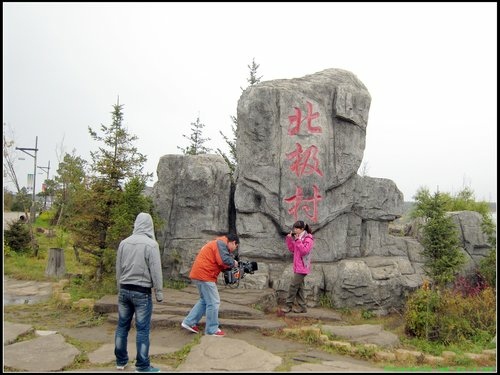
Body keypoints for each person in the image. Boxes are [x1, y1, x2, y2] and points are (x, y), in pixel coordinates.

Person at [114, 212, 163, 373]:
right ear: (150, 225)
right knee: (142, 330)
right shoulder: (151, 245)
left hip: (124, 290)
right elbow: (156, 271)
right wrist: (159, 292)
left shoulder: (124, 243)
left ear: (136, 224)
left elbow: (118, 268)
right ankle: (142, 365)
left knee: (122, 326)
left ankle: (120, 361)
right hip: (142, 292)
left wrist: (119, 287)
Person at [181, 233, 239, 337]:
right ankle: (212, 329)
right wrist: (234, 263)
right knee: (214, 302)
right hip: (205, 275)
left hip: (199, 273)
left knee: (205, 300)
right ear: (234, 242)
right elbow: (224, 260)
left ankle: (189, 322)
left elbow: (219, 262)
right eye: (235, 247)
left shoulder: (217, 243)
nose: (233, 250)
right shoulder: (221, 243)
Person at [282, 220, 314, 313]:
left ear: (302, 229)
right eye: (294, 228)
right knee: (299, 287)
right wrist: (289, 239)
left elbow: (304, 251)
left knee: (293, 286)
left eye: (297, 228)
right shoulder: (298, 237)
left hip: (303, 267)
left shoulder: (308, 238)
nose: (295, 230)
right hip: (297, 267)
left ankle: (288, 305)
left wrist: (297, 240)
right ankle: (302, 307)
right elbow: (293, 249)